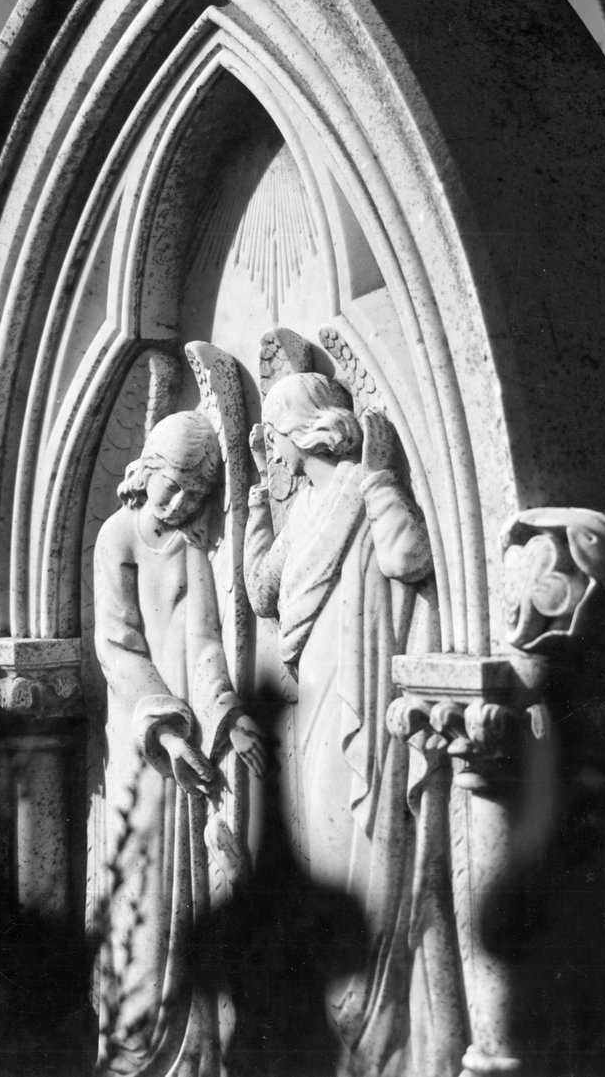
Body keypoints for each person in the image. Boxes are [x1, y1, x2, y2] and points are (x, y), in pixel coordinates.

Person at [243, 372, 432, 1074]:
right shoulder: (305, 507)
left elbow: (408, 556)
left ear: (304, 431)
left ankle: (373, 1026)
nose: (273, 449)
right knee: (318, 852)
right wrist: (257, 502)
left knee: (351, 843)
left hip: (354, 688)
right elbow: (263, 589)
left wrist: (380, 480)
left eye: (274, 435)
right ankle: (339, 1020)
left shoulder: (357, 485)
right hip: (312, 690)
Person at [94, 409, 265, 1076]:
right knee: (141, 901)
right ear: (148, 471)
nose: (177, 505)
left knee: (185, 899)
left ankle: (191, 1058)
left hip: (189, 745)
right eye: (171, 487)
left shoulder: (190, 548)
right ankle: (132, 1053)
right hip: (142, 745)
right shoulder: (117, 536)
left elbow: (204, 643)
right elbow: (118, 646)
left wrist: (226, 715)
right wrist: (164, 732)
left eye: (193, 497)